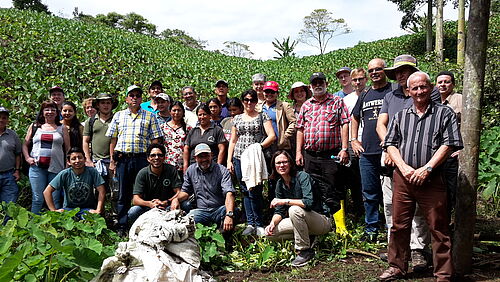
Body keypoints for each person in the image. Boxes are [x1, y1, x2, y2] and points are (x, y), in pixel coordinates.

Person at [379, 72, 462, 282]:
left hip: (432, 179)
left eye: (423, 87)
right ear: (408, 91)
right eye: (414, 88)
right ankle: (397, 267)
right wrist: (404, 168)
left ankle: (443, 274)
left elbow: (450, 143)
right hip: (403, 178)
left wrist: (428, 168)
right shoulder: (400, 116)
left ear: (431, 87)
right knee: (398, 225)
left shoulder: (445, 114)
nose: (419, 92)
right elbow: (390, 144)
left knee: (438, 226)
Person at [376, 54, 433, 268]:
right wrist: (389, 148)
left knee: (417, 207)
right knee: (391, 204)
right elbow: (381, 124)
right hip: (391, 157)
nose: (400, 75)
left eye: (405, 70)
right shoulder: (390, 97)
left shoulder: (425, 94)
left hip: (417, 158)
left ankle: (419, 249)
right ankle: (398, 249)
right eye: (397, 72)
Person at [295, 72, 350, 236]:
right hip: (310, 155)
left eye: (321, 82)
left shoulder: (337, 102)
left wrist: (345, 148)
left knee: (334, 188)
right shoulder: (306, 105)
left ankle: (340, 226)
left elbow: (344, 124)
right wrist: (299, 152)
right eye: (314, 83)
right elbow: (300, 129)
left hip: (331, 154)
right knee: (313, 188)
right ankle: (320, 224)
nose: (318, 85)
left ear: (326, 84)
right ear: (310, 86)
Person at [106, 85, 163, 235]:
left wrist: (152, 158)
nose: (134, 98)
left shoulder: (150, 116)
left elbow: (156, 139)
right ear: (126, 98)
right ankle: (122, 225)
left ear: (141, 99)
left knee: (144, 192)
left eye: (138, 95)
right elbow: (113, 139)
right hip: (123, 159)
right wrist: (112, 161)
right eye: (131, 95)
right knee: (123, 193)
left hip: (141, 159)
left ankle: (144, 225)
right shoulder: (118, 115)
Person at [350, 59, 393, 241]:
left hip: (390, 150)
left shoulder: (393, 91)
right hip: (367, 151)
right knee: (369, 192)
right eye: (371, 70)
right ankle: (371, 229)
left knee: (392, 193)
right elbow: (354, 117)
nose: (374, 72)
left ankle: (392, 228)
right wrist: (354, 140)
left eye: (378, 69)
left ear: (385, 70)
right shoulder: (365, 93)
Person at [265, 151, 332, 267]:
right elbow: (279, 211)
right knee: (270, 234)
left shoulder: (302, 176)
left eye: (285, 162)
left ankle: (305, 250)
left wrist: (285, 201)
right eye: (278, 163)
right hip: (301, 220)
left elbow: (308, 202)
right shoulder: (280, 184)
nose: (281, 165)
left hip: (321, 220)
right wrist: (272, 223)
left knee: (294, 210)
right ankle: (308, 238)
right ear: (274, 166)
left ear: (290, 163)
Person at [227, 89, 276, 236]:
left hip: (255, 158)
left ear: (256, 101)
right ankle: (250, 223)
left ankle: (259, 223)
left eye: (252, 100)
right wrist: (229, 160)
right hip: (239, 158)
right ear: (243, 101)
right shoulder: (237, 119)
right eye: (246, 100)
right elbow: (233, 140)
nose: (249, 102)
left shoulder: (262, 116)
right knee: (244, 191)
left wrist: (258, 147)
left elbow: (272, 136)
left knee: (255, 190)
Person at [22, 101, 70, 214]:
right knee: (37, 199)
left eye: (53, 109)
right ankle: (34, 226)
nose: (50, 112)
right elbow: (25, 144)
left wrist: (67, 166)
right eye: (47, 109)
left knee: (55, 199)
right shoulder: (35, 126)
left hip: (56, 168)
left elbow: (68, 148)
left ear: (57, 112)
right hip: (37, 168)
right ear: (42, 112)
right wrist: (27, 158)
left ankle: (57, 226)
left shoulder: (62, 128)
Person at [177, 143, 236, 231]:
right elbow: (185, 192)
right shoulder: (191, 170)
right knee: (186, 222)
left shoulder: (222, 170)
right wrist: (176, 199)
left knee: (233, 212)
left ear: (211, 155)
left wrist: (229, 215)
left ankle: (223, 237)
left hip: (219, 209)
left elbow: (229, 193)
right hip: (201, 211)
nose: (204, 159)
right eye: (201, 156)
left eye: (206, 156)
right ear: (195, 158)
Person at [127, 144, 182, 224]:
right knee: (133, 211)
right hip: (148, 207)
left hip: (167, 206)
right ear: (148, 159)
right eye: (153, 155)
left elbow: (179, 192)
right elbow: (135, 200)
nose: (156, 158)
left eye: (160, 155)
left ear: (164, 157)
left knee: (185, 204)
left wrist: (167, 201)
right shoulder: (142, 173)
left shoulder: (171, 170)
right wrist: (150, 204)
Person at [43, 147, 105, 218]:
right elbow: (47, 192)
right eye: (73, 158)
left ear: (85, 159)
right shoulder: (65, 174)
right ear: (68, 162)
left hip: (87, 209)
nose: (77, 161)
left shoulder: (92, 172)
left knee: (91, 221)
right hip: (69, 209)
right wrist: (53, 210)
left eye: (80, 157)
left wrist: (98, 210)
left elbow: (102, 191)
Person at [82, 93, 117, 215]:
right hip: (96, 162)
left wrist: (114, 161)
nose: (105, 105)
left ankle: (115, 218)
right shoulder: (91, 121)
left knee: (115, 192)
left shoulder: (117, 119)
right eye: (103, 103)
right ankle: (98, 216)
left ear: (112, 105)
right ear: (98, 105)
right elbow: (85, 141)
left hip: (114, 162)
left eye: (108, 103)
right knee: (96, 192)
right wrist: (88, 160)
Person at [436, 71, 462, 214]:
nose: (443, 85)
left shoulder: (460, 100)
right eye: (440, 82)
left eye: (446, 82)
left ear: (453, 84)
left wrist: (461, 150)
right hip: (437, 154)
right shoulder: (433, 101)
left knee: (452, 190)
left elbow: (473, 125)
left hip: (453, 154)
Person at [183, 103, 227, 172]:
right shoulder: (193, 131)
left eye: (204, 114)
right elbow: (186, 148)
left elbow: (222, 149)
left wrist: (218, 167)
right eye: (200, 115)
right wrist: (185, 166)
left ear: (209, 115)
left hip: (211, 167)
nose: (202, 117)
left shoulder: (217, 130)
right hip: (194, 168)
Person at [0, 106, 22, 204]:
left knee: (9, 205)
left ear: (7, 120)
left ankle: (6, 220)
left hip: (8, 174)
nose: (1, 120)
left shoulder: (13, 135)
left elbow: (18, 154)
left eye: (4, 118)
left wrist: (17, 171)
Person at [162, 101, 191, 172]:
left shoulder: (188, 128)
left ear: (183, 112)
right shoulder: (163, 127)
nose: (176, 113)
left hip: (182, 165)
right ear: (170, 112)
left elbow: (188, 148)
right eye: (174, 110)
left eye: (179, 110)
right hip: (166, 164)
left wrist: (185, 165)